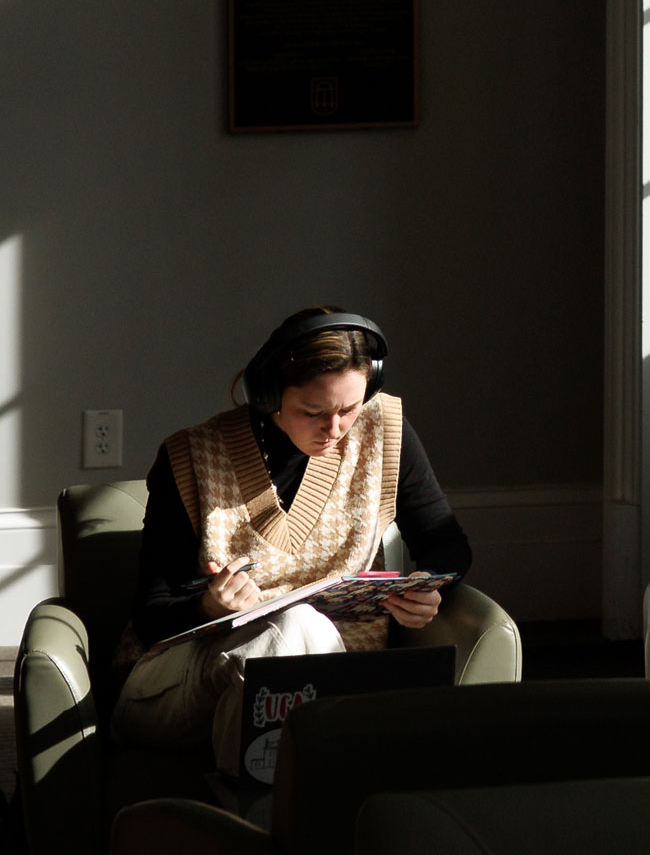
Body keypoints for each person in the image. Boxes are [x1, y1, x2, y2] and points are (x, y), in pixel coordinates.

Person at [110, 306, 474, 776]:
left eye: (349, 408)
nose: (336, 429)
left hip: (322, 683)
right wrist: (207, 607)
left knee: (303, 643)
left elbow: (447, 541)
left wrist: (428, 585)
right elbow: (150, 616)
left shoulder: (383, 430)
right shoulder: (191, 458)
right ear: (268, 395)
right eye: (313, 412)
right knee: (296, 627)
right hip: (171, 688)